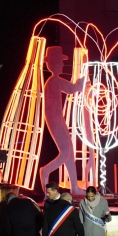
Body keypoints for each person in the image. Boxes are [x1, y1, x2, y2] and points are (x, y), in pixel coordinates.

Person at [39, 46, 85, 196]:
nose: (62, 65)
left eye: (61, 62)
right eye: (59, 62)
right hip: (55, 120)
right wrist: (81, 83)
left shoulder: (53, 81)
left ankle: (74, 187)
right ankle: (45, 171)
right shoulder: (53, 81)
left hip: (58, 119)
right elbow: (72, 89)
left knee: (69, 152)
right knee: (65, 153)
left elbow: (72, 88)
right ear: (51, 64)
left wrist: (79, 85)